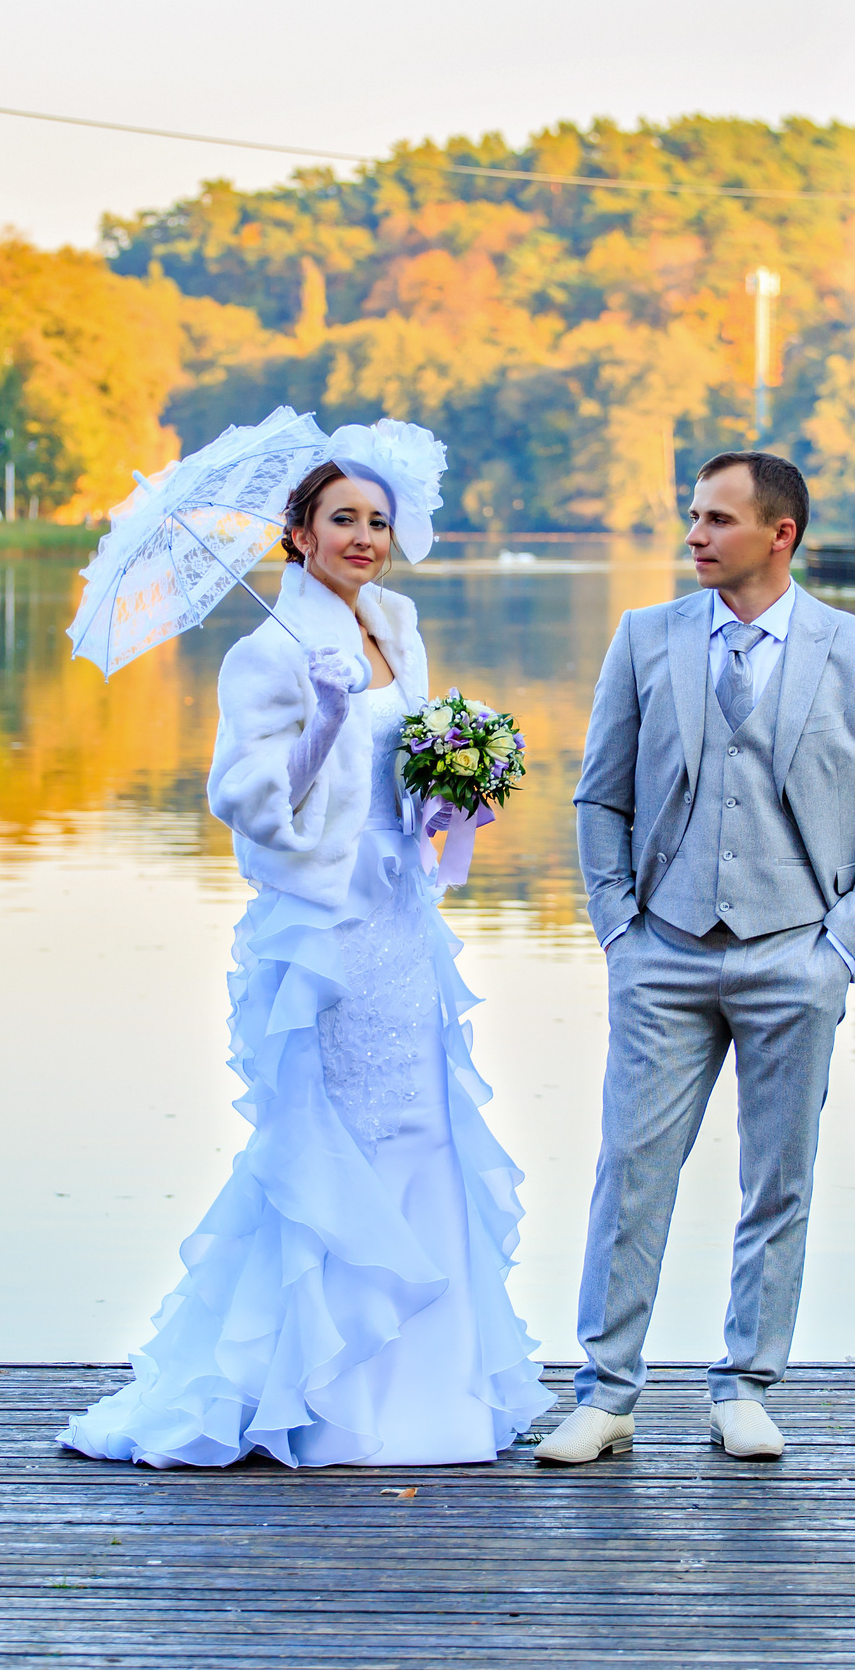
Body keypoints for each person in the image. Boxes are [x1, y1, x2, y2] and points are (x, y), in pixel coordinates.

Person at [59, 455, 551, 1468]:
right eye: (340, 520)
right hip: (327, 929)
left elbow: (403, 762)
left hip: (400, 916)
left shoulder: (399, 628)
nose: (362, 538)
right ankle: (315, 1391)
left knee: (422, 1119)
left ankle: (426, 1388)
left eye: (375, 520)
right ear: (299, 532)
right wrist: (322, 723)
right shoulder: (265, 655)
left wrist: (441, 795)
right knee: (339, 1128)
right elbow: (241, 799)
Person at [545, 451, 855, 1465]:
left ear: (779, 535)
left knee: (778, 1178)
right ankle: (606, 1394)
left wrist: (839, 946)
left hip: (793, 954)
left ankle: (745, 1386)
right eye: (692, 517)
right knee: (630, 1168)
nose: (695, 536)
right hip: (661, 950)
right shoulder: (645, 639)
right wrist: (620, 932)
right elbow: (600, 797)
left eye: (716, 519)